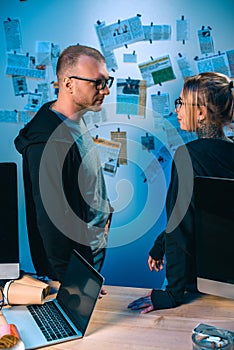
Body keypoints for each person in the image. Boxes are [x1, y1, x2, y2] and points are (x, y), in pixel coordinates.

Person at [128, 72, 234, 313]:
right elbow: (205, 215)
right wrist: (160, 245)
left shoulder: (188, 156)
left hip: (196, 284)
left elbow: (180, 226)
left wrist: (172, 294)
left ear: (200, 112)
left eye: (182, 103)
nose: (177, 110)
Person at [14, 45, 114, 283]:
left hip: (90, 252)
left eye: (108, 81)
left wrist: (105, 212)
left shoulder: (73, 120)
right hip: (72, 269)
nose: (106, 91)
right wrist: (73, 281)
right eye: (98, 83)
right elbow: (50, 219)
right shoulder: (46, 142)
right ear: (68, 84)